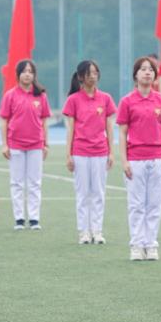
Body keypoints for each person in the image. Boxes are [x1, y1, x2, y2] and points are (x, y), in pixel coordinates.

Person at [118, 55, 161, 261]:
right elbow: (122, 132)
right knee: (136, 204)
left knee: (155, 204)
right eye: (143, 69)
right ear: (136, 75)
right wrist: (124, 160)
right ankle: (136, 244)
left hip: (158, 158)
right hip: (135, 159)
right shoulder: (127, 101)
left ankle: (151, 244)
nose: (147, 73)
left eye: (151, 69)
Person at [62, 60, 116, 245]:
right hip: (80, 152)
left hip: (100, 151)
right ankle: (84, 231)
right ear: (81, 77)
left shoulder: (105, 98)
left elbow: (109, 127)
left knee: (98, 193)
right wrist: (68, 154)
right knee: (83, 193)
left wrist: (111, 152)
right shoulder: (73, 100)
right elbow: (71, 129)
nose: (93, 76)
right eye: (89, 73)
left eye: (95, 72)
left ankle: (97, 231)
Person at [0, 59, 50, 231]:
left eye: (30, 71)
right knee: (17, 183)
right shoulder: (10, 95)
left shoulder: (41, 96)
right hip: (15, 144)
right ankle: (19, 218)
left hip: (36, 145)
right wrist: (4, 144)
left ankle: (34, 218)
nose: (27, 74)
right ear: (18, 74)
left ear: (34, 75)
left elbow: (44, 121)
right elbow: (4, 121)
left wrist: (46, 144)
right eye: (24, 71)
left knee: (35, 183)